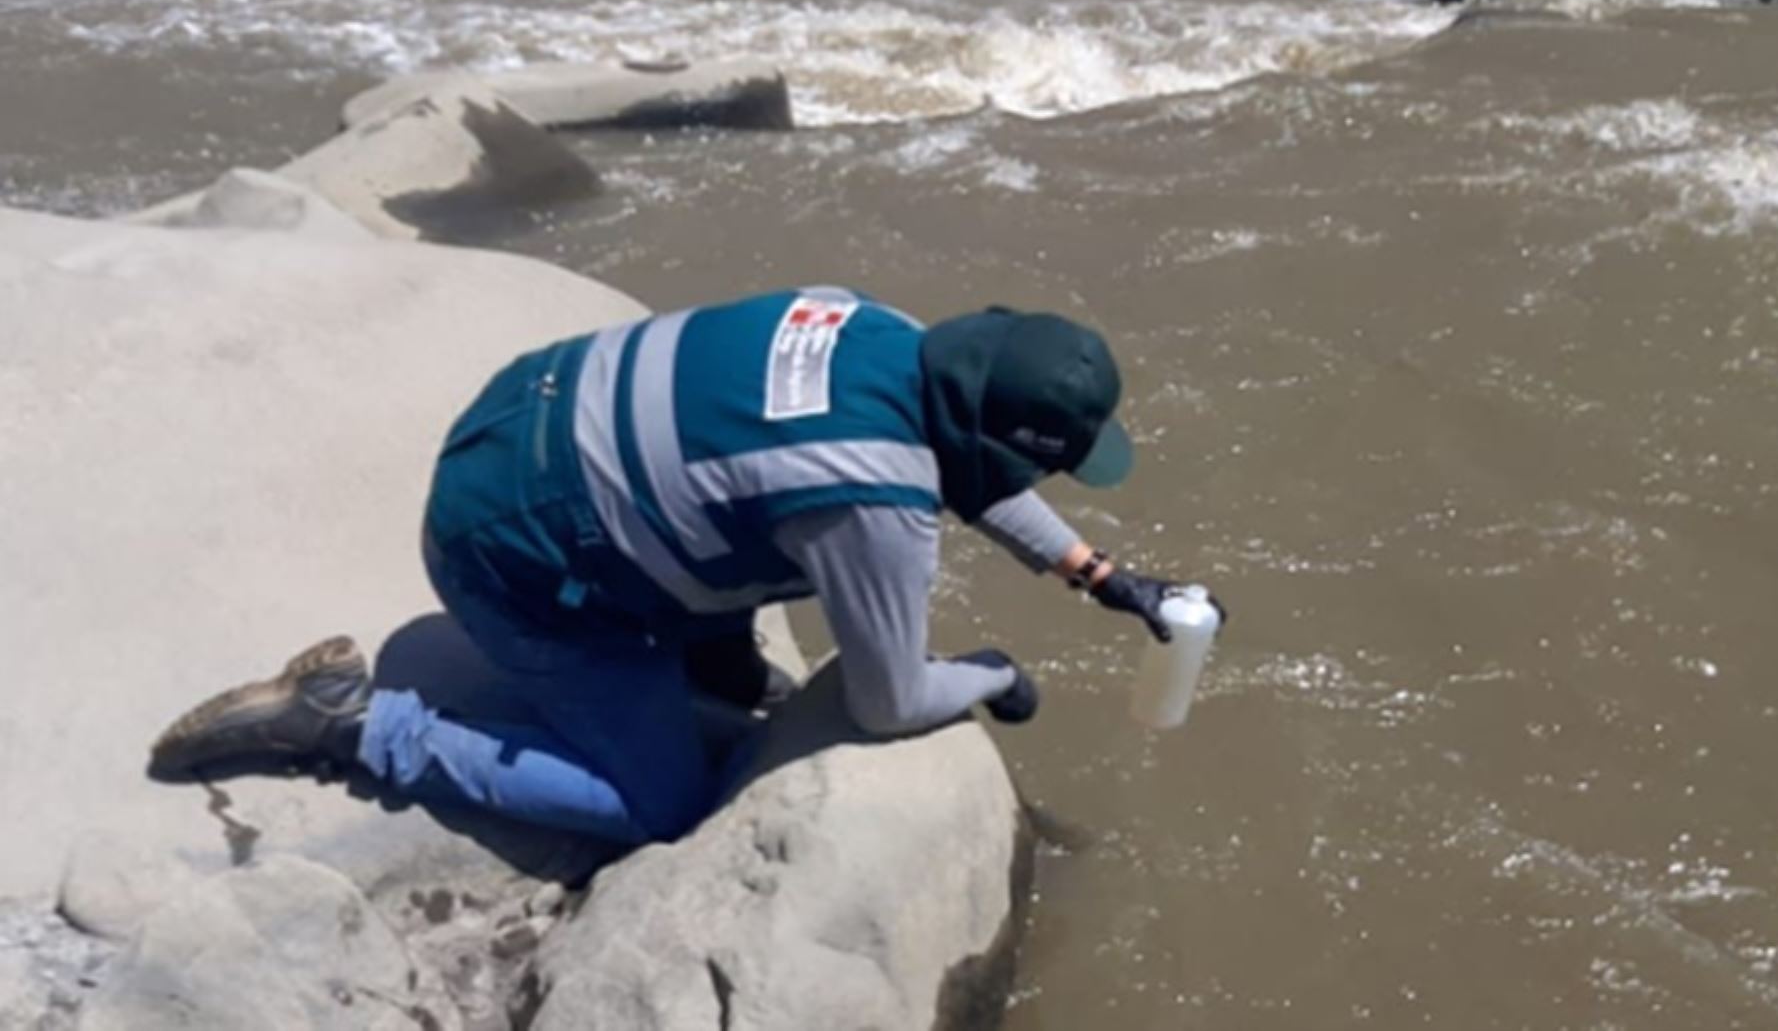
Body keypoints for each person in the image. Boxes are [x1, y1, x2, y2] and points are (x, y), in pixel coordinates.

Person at [151, 288, 1223, 846]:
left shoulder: (879, 325)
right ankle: (352, 724)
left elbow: (963, 462)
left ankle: (708, 663)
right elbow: (890, 700)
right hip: (504, 558)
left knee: (741, 498)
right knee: (660, 802)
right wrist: (991, 670)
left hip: (517, 421)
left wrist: (1096, 572)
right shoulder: (873, 496)